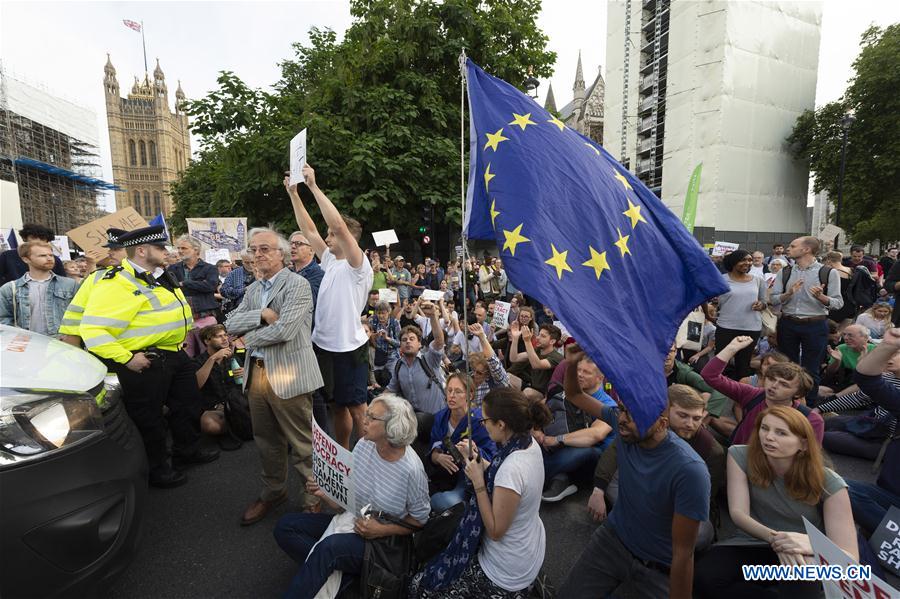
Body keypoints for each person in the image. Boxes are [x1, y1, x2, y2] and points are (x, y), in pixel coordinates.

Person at [78, 225, 216, 489]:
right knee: (149, 418)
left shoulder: (162, 275)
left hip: (176, 354)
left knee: (188, 405)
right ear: (141, 251)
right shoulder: (117, 282)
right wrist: (127, 358)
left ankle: (187, 452)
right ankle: (157, 470)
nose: (168, 251)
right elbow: (93, 330)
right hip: (146, 361)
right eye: (160, 247)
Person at [274, 394, 430, 599]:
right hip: (354, 518)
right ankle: (343, 574)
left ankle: (327, 570)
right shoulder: (364, 445)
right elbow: (347, 501)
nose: (364, 420)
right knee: (285, 527)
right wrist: (326, 492)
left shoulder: (412, 470)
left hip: (383, 541)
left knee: (328, 549)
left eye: (372, 418)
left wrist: (381, 530)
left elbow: (420, 520)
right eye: (367, 414)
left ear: (392, 428)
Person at [694, 406, 857, 598]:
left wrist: (808, 546)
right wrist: (778, 540)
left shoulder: (830, 482)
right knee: (704, 578)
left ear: (803, 444)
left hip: (803, 550)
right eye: (765, 428)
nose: (768, 437)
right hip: (752, 541)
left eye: (781, 433)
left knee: (801, 590)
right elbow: (739, 514)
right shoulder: (739, 455)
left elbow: (850, 560)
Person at [558, 394, 710, 598]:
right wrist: (574, 362)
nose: (621, 420)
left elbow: (683, 554)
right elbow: (574, 392)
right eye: (622, 410)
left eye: (633, 416)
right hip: (611, 543)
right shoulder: (626, 426)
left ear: (661, 424)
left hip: (656, 568)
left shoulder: (691, 470)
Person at [411, 388, 552, 598]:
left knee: (421, 589)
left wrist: (477, 482)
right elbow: (498, 470)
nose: (482, 424)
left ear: (501, 424)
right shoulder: (526, 443)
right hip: (527, 544)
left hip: (506, 569)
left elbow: (495, 531)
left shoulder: (512, 468)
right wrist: (477, 459)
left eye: (485, 420)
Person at [226, 227, 323, 525]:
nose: (258, 255)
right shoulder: (254, 289)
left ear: (281, 253)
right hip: (256, 375)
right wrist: (262, 316)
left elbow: (286, 331)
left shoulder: (297, 285)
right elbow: (230, 322)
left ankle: (314, 500)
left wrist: (248, 338)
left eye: (265, 248)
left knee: (303, 444)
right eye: (254, 249)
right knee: (267, 441)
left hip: (289, 374)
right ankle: (274, 491)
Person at [286, 165, 374, 450]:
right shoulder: (330, 261)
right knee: (337, 407)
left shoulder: (357, 265)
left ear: (349, 238)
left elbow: (336, 225)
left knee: (358, 410)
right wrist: (294, 194)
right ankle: (345, 455)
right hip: (323, 347)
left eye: (333, 235)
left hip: (350, 349)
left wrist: (313, 187)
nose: (327, 238)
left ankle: (367, 459)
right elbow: (308, 230)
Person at [590, 385, 724, 551]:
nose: (690, 424)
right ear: (665, 411)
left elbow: (704, 498)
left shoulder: (711, 450)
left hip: (676, 504)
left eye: (696, 418)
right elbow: (615, 452)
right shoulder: (647, 426)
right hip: (641, 485)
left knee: (702, 534)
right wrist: (598, 490)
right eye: (683, 415)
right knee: (613, 481)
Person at [702, 336, 824, 444]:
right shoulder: (753, 394)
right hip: (739, 459)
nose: (774, 385)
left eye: (784, 384)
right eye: (771, 379)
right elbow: (710, 375)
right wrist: (731, 348)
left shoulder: (810, 419)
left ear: (798, 393)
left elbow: (808, 458)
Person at [770, 236, 843, 397]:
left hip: (815, 325)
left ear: (806, 249)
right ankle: (786, 402)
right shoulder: (785, 271)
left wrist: (821, 297)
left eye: (793, 246)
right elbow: (773, 299)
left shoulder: (828, 272)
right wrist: (788, 294)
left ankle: (808, 408)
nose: (788, 249)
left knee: (811, 369)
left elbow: (838, 303)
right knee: (787, 367)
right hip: (788, 323)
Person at [537, 353, 615, 503]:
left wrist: (556, 439)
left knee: (585, 450)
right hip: (562, 448)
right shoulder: (568, 393)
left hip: (594, 461)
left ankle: (539, 475)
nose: (579, 375)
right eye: (578, 370)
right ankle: (562, 478)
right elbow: (538, 411)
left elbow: (596, 435)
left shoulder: (608, 404)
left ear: (600, 377)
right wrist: (537, 431)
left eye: (586, 372)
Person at [849, 327, 900, 534]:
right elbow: (867, 380)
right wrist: (889, 345)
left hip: (873, 437)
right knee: (834, 487)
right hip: (890, 497)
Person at [428, 373, 497, 511]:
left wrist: (474, 452)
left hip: (467, 478)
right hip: (443, 475)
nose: (452, 395)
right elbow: (434, 443)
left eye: (458, 391)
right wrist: (437, 457)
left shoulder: (480, 421)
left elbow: (491, 457)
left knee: (445, 503)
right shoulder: (441, 416)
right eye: (449, 390)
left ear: (470, 395)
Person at [387, 302, 446, 451]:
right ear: (400, 346)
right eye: (404, 340)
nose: (407, 342)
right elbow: (390, 390)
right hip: (415, 424)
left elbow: (439, 341)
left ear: (420, 344)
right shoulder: (398, 367)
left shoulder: (429, 359)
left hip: (438, 420)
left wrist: (433, 316)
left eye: (412, 339)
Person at [58, 228, 129, 346]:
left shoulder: (154, 275)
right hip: (104, 346)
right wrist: (73, 344)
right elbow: (76, 313)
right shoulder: (98, 276)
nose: (110, 252)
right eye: (110, 249)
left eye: (116, 249)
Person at [0, 241, 77, 337]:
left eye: (51, 255)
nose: (49, 258)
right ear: (26, 259)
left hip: (61, 343)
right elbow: (4, 319)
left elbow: (77, 315)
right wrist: (16, 337)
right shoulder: (10, 288)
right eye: (42, 256)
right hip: (28, 345)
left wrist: (71, 337)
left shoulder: (69, 284)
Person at [715, 249, 768, 381]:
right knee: (722, 363)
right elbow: (710, 299)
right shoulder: (721, 280)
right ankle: (719, 394)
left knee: (743, 365)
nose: (748, 263)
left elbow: (765, 302)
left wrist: (761, 305)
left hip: (751, 328)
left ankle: (741, 395)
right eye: (743, 260)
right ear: (733, 262)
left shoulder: (758, 280)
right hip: (726, 327)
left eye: (750, 260)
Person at [193, 324, 245, 450]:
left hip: (237, 405)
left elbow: (245, 384)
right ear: (207, 341)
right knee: (208, 424)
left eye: (225, 335)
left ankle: (237, 427)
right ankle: (242, 426)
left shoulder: (233, 358)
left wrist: (245, 372)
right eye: (219, 336)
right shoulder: (198, 361)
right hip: (217, 410)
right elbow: (197, 384)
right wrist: (213, 359)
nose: (224, 339)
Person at [168, 235, 221, 357]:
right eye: (179, 248)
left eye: (184, 248)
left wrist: (185, 283)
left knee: (209, 353)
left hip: (205, 317)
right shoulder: (173, 268)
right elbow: (171, 288)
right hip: (182, 320)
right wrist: (199, 284)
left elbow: (210, 286)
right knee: (186, 355)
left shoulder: (210, 268)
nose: (180, 251)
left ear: (196, 250)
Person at [508, 322, 563, 401]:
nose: (538, 338)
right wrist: (515, 338)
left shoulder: (557, 357)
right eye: (539, 334)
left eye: (543, 336)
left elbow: (537, 364)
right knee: (507, 377)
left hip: (545, 395)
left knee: (528, 392)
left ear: (552, 341)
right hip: (531, 386)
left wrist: (527, 341)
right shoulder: (538, 350)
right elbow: (514, 358)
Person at [0, 223, 66, 285]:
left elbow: (62, 282)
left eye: (42, 238)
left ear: (47, 241)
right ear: (25, 238)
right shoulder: (7, 256)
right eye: (33, 238)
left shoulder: (54, 259)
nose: (37, 241)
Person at [468, 322, 511, 406]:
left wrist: (482, 337)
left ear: (488, 373)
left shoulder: (497, 382)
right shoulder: (469, 379)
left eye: (479, 372)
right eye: (473, 370)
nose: (474, 374)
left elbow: (493, 362)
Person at [823, 323, 876, 391]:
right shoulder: (841, 348)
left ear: (865, 337)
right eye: (844, 334)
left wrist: (863, 363)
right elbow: (829, 373)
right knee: (820, 391)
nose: (845, 338)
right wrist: (837, 361)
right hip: (845, 385)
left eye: (850, 335)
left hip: (866, 386)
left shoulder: (875, 350)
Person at [369, 300, 401, 387]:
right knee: (376, 380)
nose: (381, 316)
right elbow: (367, 339)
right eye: (379, 313)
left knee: (393, 381)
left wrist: (387, 338)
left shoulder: (395, 323)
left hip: (392, 357)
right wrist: (374, 336)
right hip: (378, 357)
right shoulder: (372, 321)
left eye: (383, 313)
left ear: (389, 312)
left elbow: (399, 343)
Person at [289, 232, 324, 308]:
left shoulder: (319, 274)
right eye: (291, 243)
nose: (293, 246)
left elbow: (306, 302)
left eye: (298, 243)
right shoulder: (287, 271)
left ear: (312, 250)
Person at [220, 250, 255, 315]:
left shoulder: (263, 272)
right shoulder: (234, 274)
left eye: (252, 262)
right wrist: (243, 290)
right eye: (247, 262)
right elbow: (224, 291)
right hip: (237, 311)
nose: (250, 265)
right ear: (242, 262)